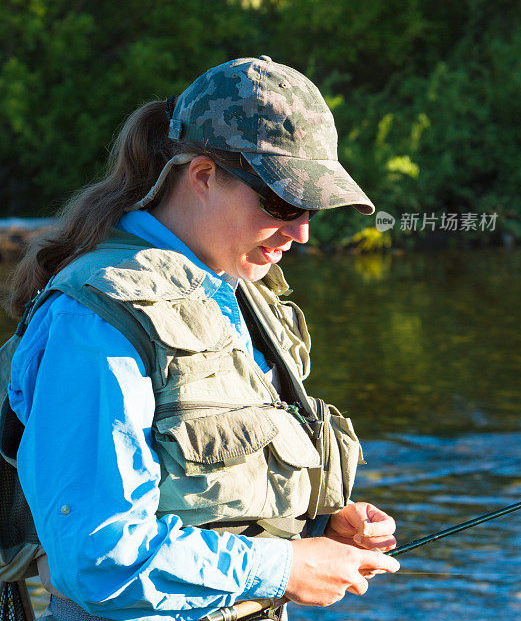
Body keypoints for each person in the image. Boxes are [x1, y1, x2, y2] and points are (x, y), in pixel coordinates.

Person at [5, 56, 399, 621]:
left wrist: (314, 529)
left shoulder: (238, 289)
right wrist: (285, 566)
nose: (301, 231)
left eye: (310, 207)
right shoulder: (96, 319)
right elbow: (96, 556)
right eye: (283, 202)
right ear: (204, 175)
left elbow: (197, 494)